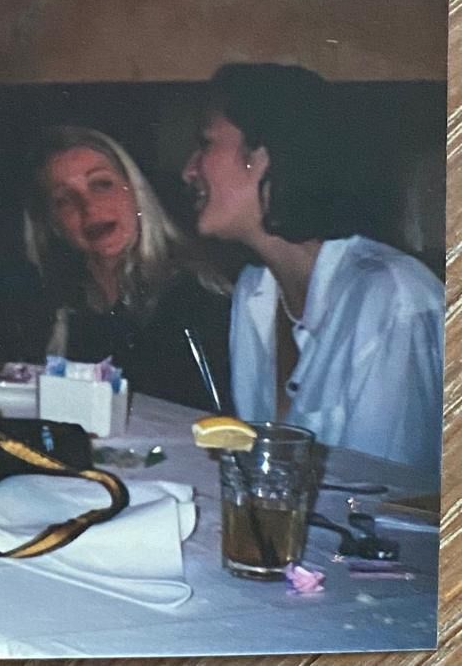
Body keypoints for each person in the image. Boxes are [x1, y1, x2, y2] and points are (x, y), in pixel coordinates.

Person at [181, 63, 441, 473]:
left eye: (206, 144)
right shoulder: (255, 292)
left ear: (264, 156)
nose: (189, 170)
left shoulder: (391, 300)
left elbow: (392, 495)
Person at [22, 126, 231, 410]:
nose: (88, 206)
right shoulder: (58, 306)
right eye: (64, 199)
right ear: (53, 224)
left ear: (135, 191)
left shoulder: (192, 296)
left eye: (101, 184)